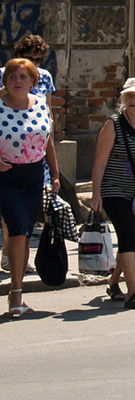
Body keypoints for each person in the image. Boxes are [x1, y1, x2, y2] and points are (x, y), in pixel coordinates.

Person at [88, 77, 135, 310]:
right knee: (127, 236)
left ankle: (113, 282)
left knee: (132, 239)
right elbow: (99, 162)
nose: (132, 99)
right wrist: (95, 194)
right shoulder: (113, 125)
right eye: (128, 95)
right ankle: (133, 292)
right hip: (114, 191)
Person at [0, 59, 60, 317]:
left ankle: (18, 292)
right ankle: (14, 295)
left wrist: (55, 174)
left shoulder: (40, 107)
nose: (17, 81)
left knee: (24, 234)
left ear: (33, 82)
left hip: (34, 176)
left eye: (23, 77)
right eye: (12, 76)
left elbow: (48, 141)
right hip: (6, 178)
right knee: (16, 230)